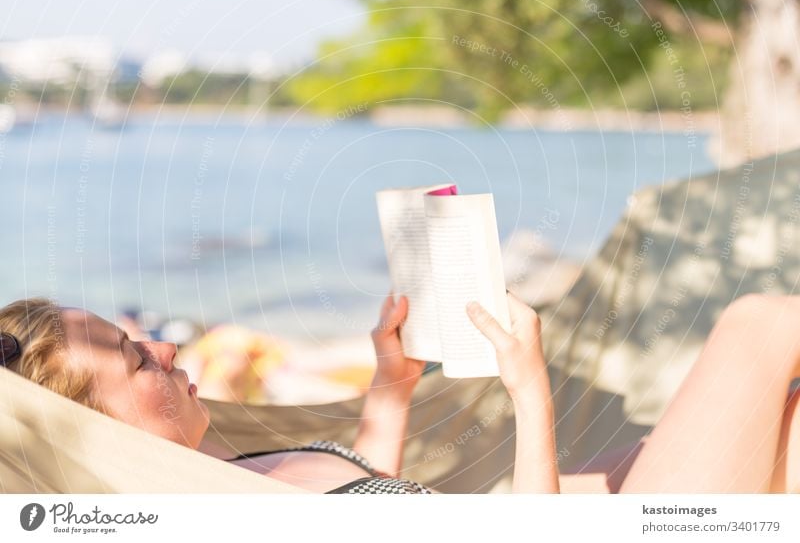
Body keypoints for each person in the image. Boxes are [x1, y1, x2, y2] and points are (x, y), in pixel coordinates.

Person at [1, 292, 798, 493]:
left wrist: (391, 383)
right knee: (757, 325)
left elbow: (360, 493)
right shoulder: (220, 522)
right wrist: (530, 391)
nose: (164, 344)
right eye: (135, 359)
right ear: (96, 427)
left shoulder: (231, 477)